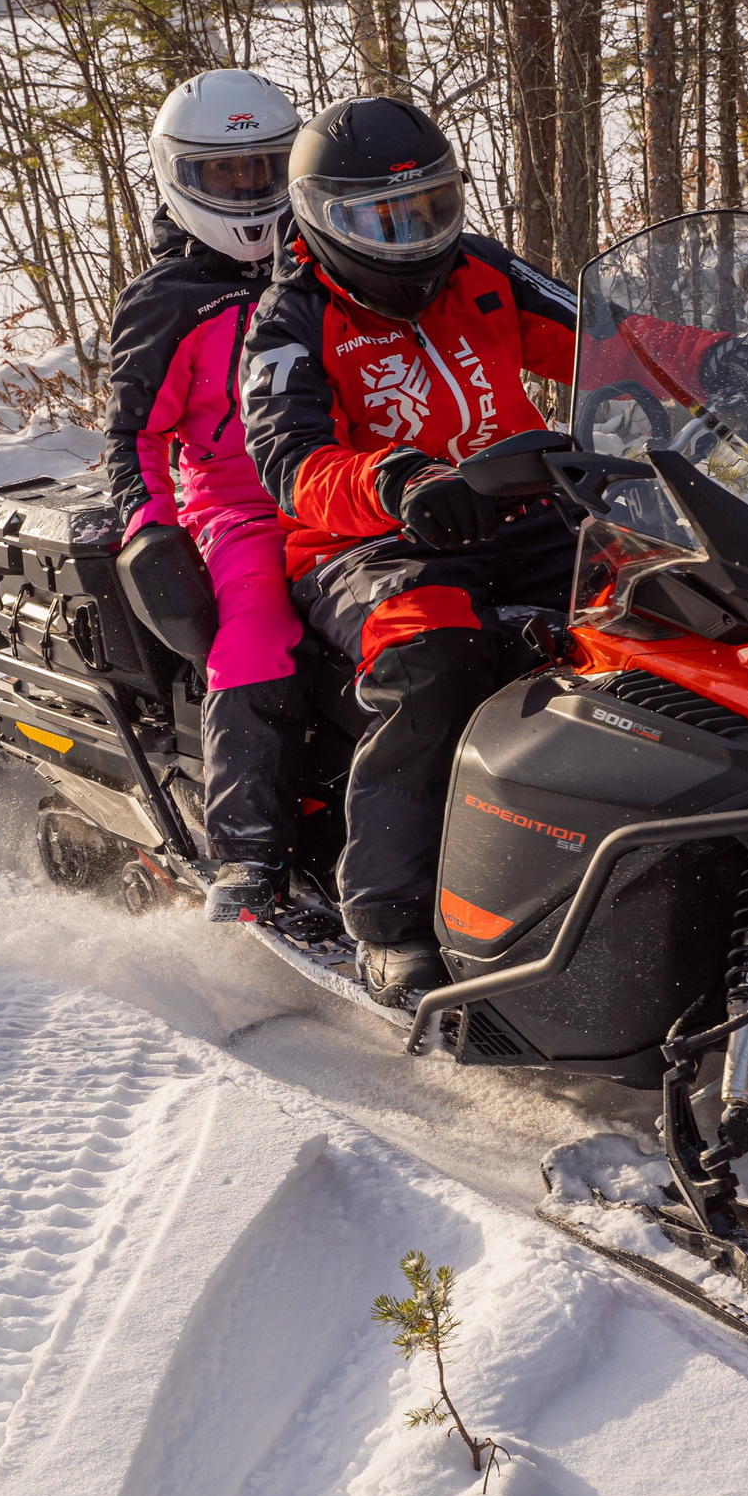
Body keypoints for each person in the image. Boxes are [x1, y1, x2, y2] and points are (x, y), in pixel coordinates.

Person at [237, 95, 587, 1002]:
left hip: (517, 512)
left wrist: (726, 367)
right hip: (366, 546)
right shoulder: (290, 321)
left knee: (660, 596)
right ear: (320, 218)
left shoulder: (482, 270)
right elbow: (291, 459)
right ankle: (386, 917)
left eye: (429, 208)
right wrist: (398, 481)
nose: (413, 236)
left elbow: (606, 334)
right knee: (436, 656)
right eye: (382, 219)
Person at [102, 69, 310, 923]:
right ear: (179, 175)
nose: (249, 191)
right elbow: (133, 435)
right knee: (258, 631)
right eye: (225, 175)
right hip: (239, 503)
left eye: (266, 169)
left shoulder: (326, 267)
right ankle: (248, 852)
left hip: (347, 485)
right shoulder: (167, 303)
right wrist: (149, 527)